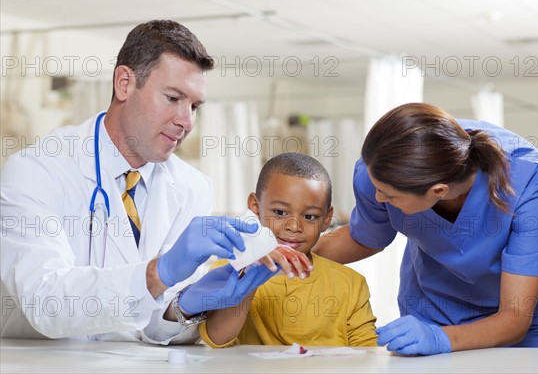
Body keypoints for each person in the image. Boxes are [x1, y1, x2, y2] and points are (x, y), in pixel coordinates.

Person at [0, 20, 308, 344]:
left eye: (194, 106)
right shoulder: (38, 169)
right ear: (124, 83)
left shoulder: (192, 188)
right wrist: (156, 274)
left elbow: (154, 330)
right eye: (173, 98)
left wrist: (184, 307)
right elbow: (46, 302)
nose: (186, 121)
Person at [313, 103, 538, 355]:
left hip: (524, 311)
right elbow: (365, 237)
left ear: (438, 191)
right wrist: (295, 251)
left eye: (389, 196)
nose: (379, 198)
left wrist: (440, 339)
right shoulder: (378, 170)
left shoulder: (527, 179)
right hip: (435, 303)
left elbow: (514, 318)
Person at [199, 152, 378, 347]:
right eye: (280, 212)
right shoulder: (228, 269)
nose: (293, 226)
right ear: (255, 207)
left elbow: (368, 355)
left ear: (327, 219)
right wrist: (249, 274)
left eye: (310, 217)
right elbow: (217, 338)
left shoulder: (351, 284)